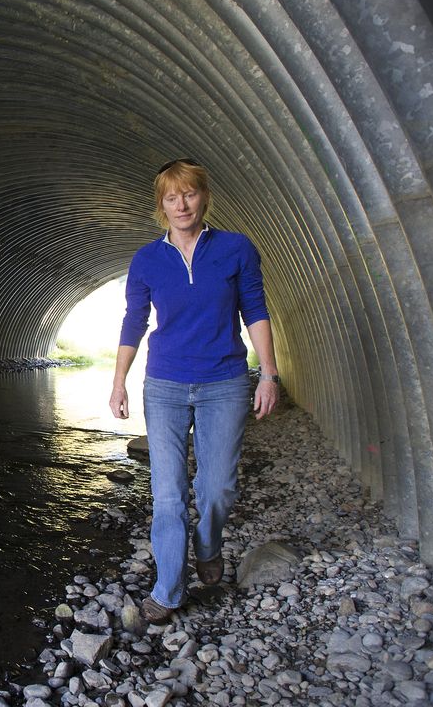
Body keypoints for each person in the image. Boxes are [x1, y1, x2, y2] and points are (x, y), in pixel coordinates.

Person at [109, 158, 280, 625]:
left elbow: (256, 310)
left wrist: (268, 373)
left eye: (188, 194)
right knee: (167, 492)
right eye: (170, 197)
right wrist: (119, 380)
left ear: (204, 197)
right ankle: (167, 590)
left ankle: (208, 545)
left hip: (224, 381)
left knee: (217, 487)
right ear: (161, 206)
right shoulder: (147, 259)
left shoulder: (236, 249)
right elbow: (133, 322)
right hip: (164, 384)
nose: (180, 204)